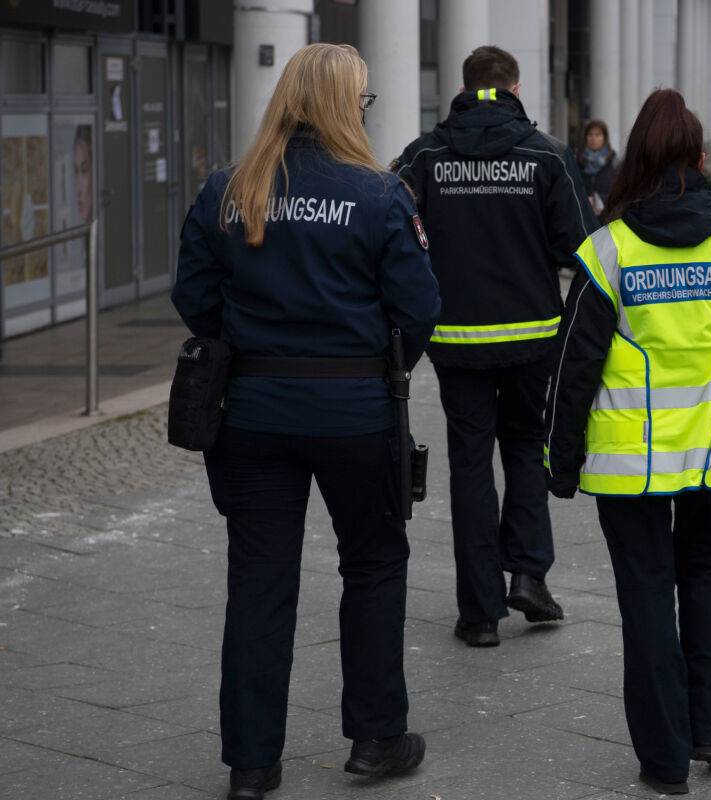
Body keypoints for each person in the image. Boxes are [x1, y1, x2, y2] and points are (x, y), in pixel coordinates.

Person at [171, 43, 440, 799]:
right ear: (345, 105)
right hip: (354, 409)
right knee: (376, 564)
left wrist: (254, 339)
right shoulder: (379, 195)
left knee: (259, 581)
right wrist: (372, 361)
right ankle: (377, 737)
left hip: (251, 411)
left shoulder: (230, 189)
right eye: (363, 100)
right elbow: (418, 310)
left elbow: (193, 296)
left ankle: (252, 766)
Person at [544, 89, 711, 795]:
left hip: (632, 466)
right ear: (697, 156)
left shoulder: (608, 251)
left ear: (637, 155)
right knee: (705, 573)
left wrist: (557, 462)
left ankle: (664, 759)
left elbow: (574, 367)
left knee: (648, 594)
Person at [392, 45, 597, 647]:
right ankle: (529, 575)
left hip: (456, 342)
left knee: (470, 465)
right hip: (534, 336)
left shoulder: (424, 157)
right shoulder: (547, 156)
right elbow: (579, 249)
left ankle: (479, 612)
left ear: (466, 86)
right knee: (529, 448)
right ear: (514, 86)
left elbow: (398, 243)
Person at [578, 119, 617, 216]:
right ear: (585, 138)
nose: (593, 139)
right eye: (590, 135)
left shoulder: (614, 163)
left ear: (604, 138)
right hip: (583, 216)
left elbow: (619, 192)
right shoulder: (577, 161)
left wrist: (601, 201)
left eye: (598, 135)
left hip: (607, 216)